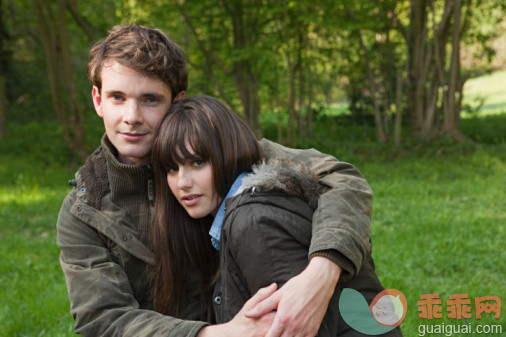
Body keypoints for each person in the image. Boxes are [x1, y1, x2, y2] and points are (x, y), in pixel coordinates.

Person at [57, 24, 374, 337]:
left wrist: (321, 274)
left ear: (177, 101)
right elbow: (103, 319)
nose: (132, 117)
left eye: (150, 99)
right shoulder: (85, 210)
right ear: (98, 100)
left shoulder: (222, 152)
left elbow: (341, 178)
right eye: (117, 98)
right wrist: (221, 334)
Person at [150, 95, 402, 336]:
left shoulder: (253, 222)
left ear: (226, 155)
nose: (182, 182)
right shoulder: (224, 219)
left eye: (197, 162)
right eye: (172, 168)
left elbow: (299, 330)